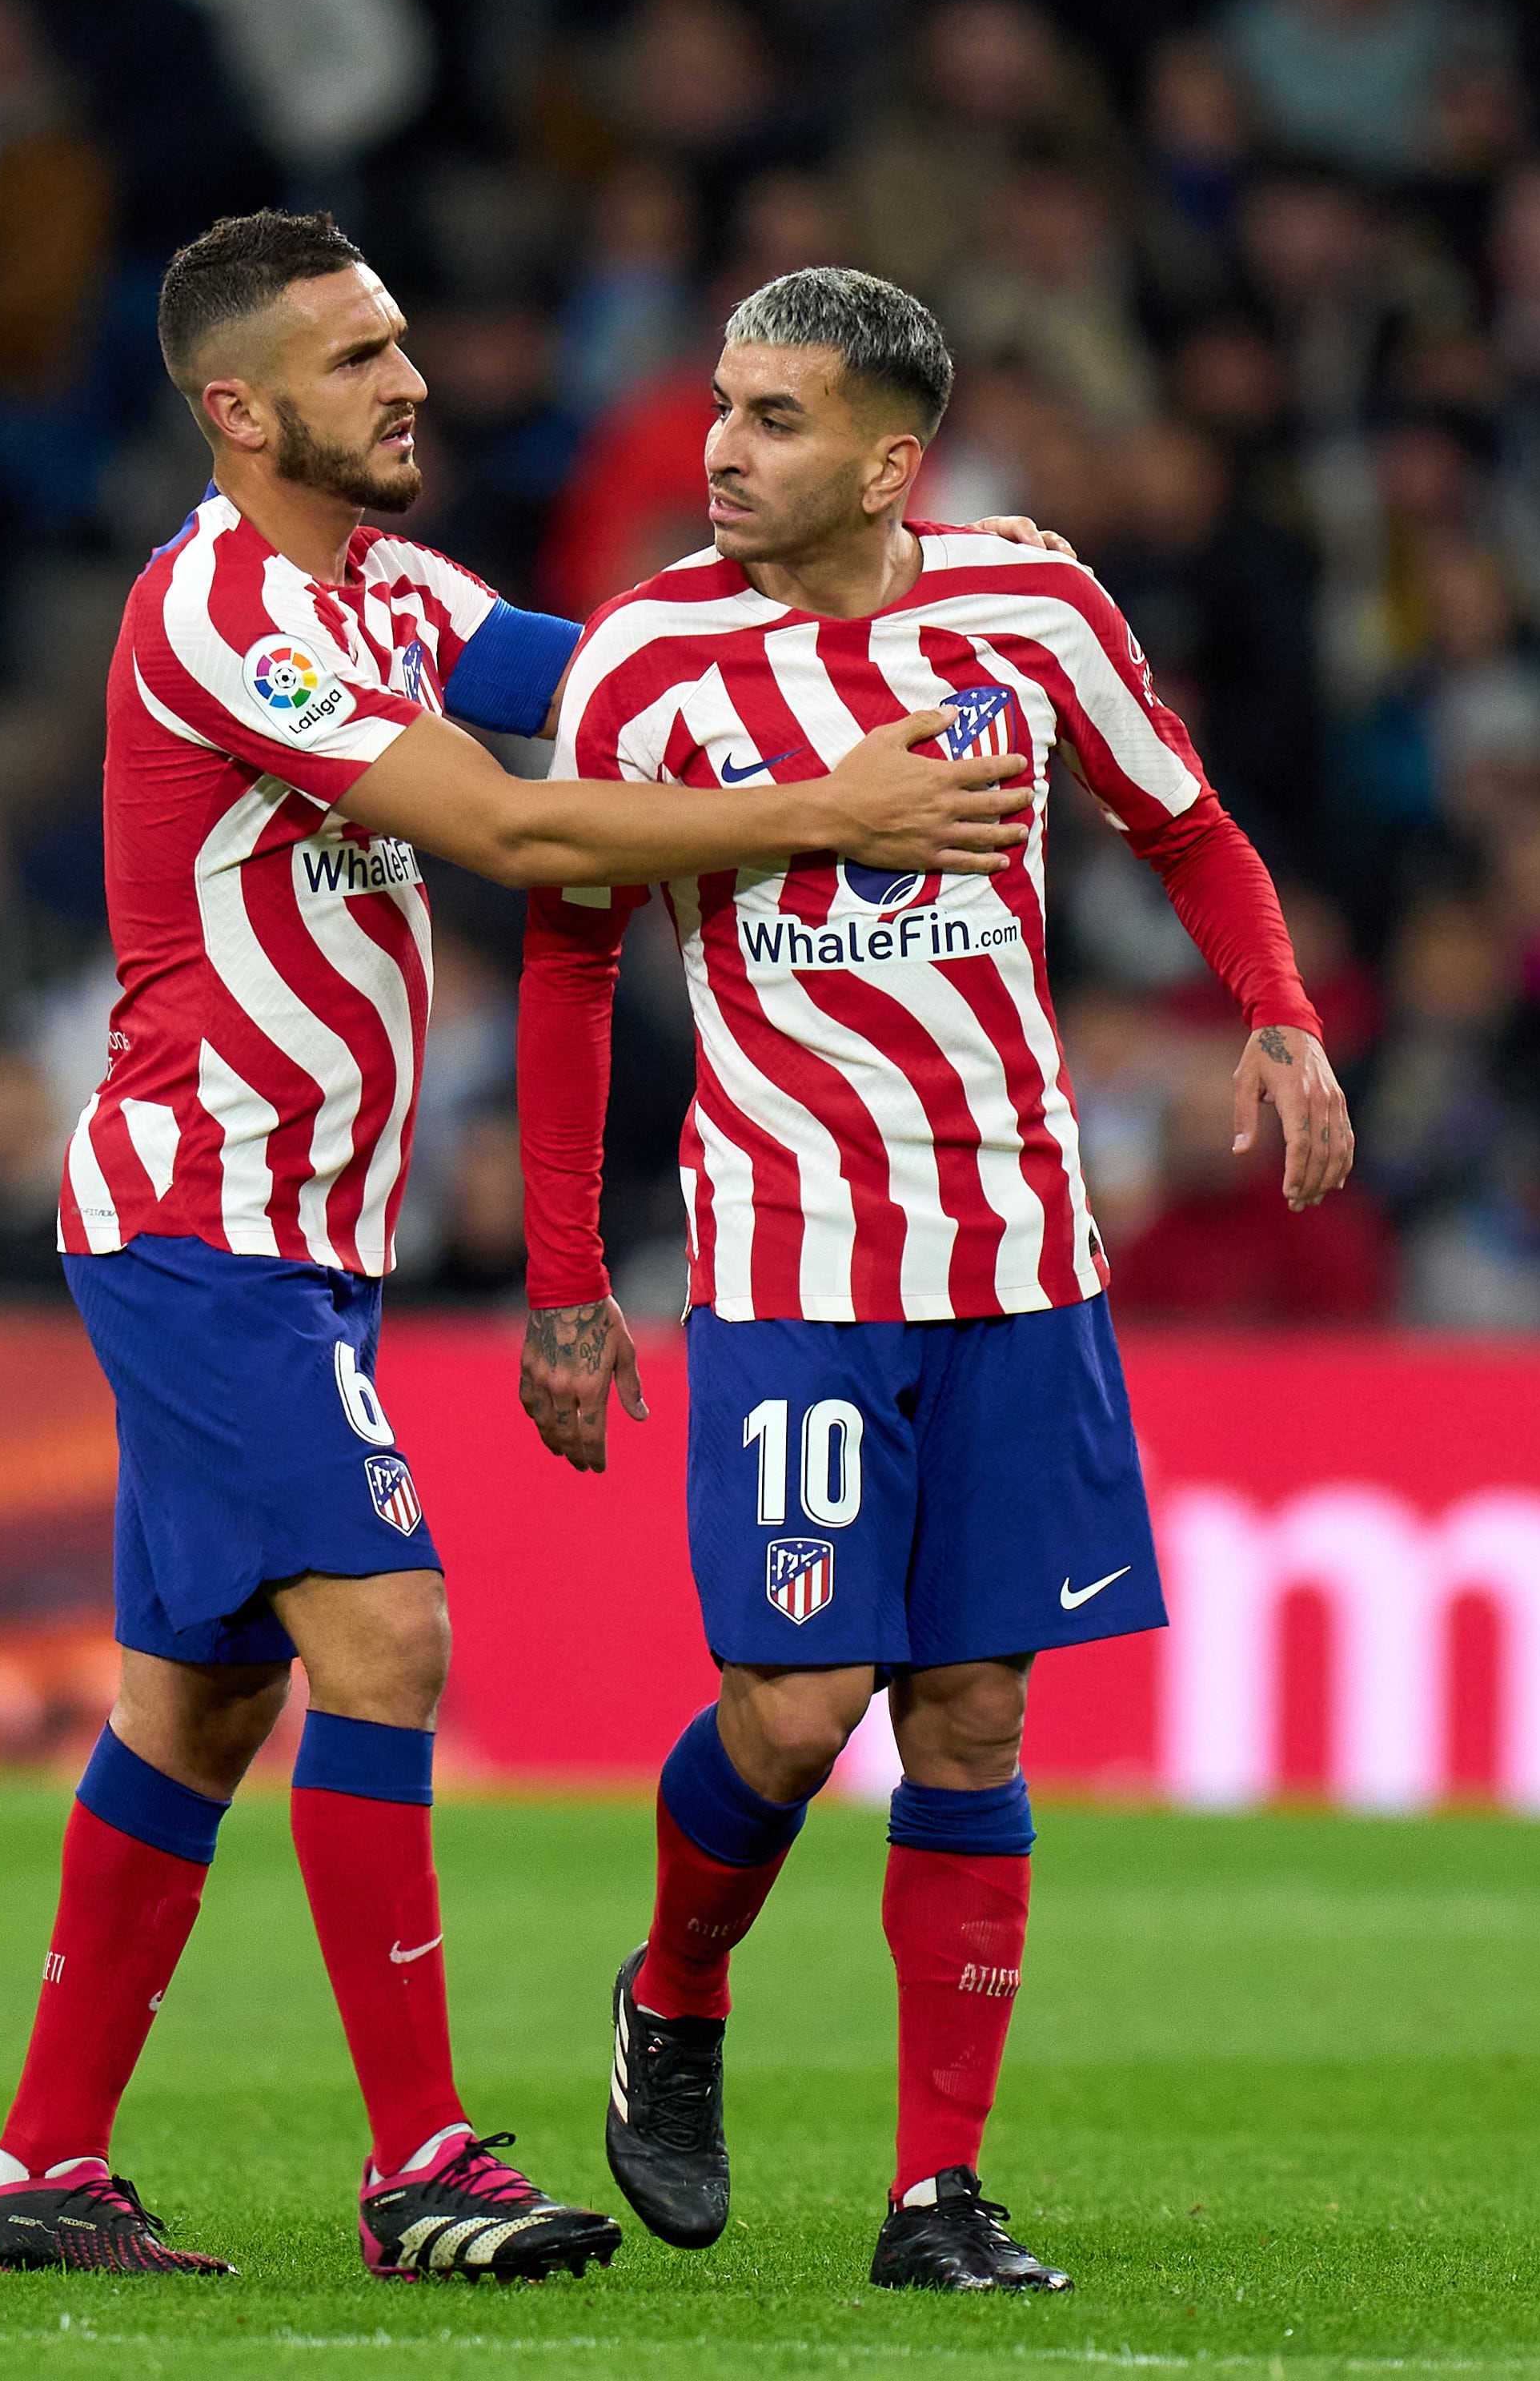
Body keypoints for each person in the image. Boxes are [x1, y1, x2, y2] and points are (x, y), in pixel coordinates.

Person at [0, 211, 1049, 2284]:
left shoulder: (388, 591)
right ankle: (422, 2165)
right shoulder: (225, 614)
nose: (411, 383)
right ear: (238, 408)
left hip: (297, 1240)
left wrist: (873, 625)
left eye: (397, 342)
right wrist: (825, 807)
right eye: (358, 359)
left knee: (190, 1711)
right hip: (198, 1218)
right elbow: (528, 828)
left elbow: (614, 691)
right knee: (386, 1639)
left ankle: (38, 2173)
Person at [511, 269, 1355, 2291]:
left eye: (775, 417)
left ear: (893, 460)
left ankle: (935, 2192)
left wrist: (1281, 1012)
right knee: (796, 1714)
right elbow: (567, 950)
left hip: (1019, 1260)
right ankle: (677, 1992)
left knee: (972, 1714)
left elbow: (1193, 823)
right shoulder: (642, 655)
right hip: (791, 1258)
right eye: (722, 404)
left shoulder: (1030, 610)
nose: (722, 447)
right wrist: (561, 1267)